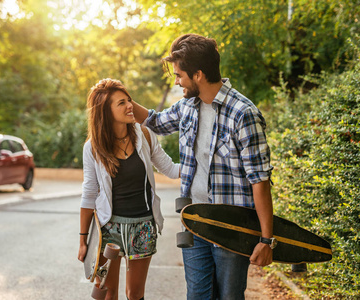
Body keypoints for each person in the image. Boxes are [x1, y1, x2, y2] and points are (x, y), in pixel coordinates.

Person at [131, 34, 275, 299]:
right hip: (194, 220)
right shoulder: (187, 107)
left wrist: (267, 240)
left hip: (232, 226)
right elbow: (156, 122)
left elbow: (260, 180)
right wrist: (123, 100)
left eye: (179, 75)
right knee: (197, 295)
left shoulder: (244, 113)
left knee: (229, 296)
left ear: (198, 75)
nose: (176, 82)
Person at [77, 78, 180, 300]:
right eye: (121, 103)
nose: (130, 106)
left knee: (135, 294)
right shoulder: (93, 147)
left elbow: (171, 169)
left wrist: (203, 166)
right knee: (107, 293)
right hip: (108, 228)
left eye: (129, 100)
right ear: (105, 111)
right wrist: (83, 240)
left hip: (143, 225)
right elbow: (89, 194)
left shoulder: (144, 135)